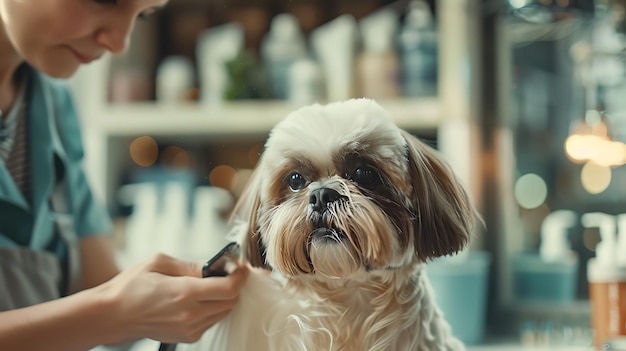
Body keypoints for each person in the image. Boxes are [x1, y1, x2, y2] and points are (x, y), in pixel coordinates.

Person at [0, 0, 249, 350]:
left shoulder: (52, 107)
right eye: (106, 1)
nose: (119, 43)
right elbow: (101, 311)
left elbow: (97, 287)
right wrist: (109, 314)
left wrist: (172, 302)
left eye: (143, 14)